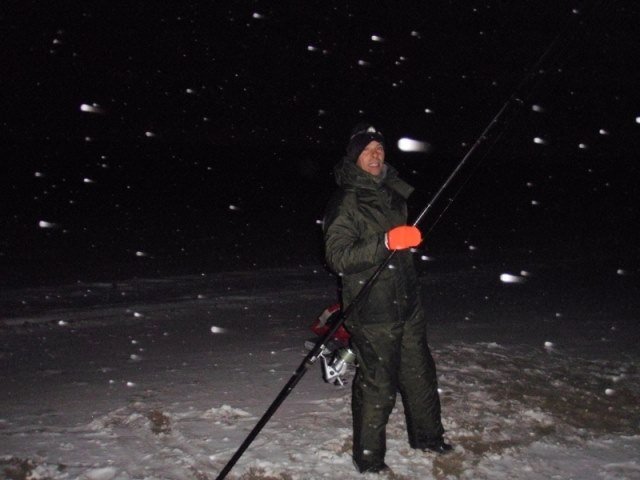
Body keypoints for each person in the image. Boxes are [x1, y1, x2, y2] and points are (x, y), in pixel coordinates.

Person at [323, 123, 452, 474]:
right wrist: (385, 243)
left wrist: (405, 243)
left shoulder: (392, 194)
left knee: (420, 373)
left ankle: (428, 438)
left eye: (379, 148)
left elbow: (399, 244)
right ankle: (369, 458)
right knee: (378, 384)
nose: (376, 155)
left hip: (407, 300)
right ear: (355, 158)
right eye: (368, 150)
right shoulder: (346, 200)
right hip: (372, 307)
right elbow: (338, 258)